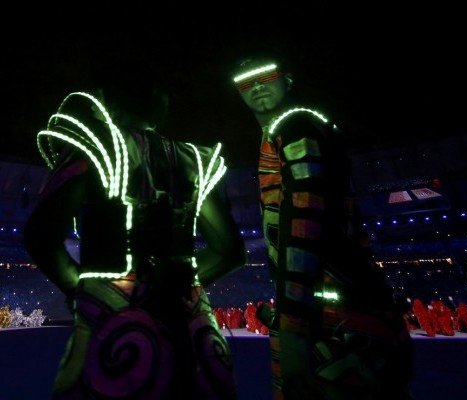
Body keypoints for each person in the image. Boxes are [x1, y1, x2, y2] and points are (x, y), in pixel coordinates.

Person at [25, 70, 246, 399]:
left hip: (114, 329)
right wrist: (179, 284)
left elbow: (41, 237)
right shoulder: (195, 160)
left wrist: (84, 289)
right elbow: (230, 252)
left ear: (109, 104)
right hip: (195, 337)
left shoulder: (92, 149)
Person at [231, 55, 412, 399]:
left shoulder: (295, 125)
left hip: (329, 314)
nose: (256, 87)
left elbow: (304, 219)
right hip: (339, 304)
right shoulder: (289, 130)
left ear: (287, 79)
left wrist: (292, 327)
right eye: (245, 83)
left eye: (265, 77)